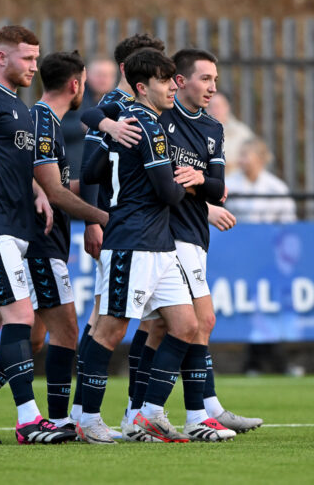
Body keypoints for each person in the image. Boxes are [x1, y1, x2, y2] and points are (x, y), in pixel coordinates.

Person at [0, 26, 92, 445]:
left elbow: (11, 164)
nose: (34, 66)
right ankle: (29, 420)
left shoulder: (21, 110)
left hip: (16, 227)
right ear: (2, 57)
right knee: (21, 319)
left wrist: (40, 193)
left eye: (36, 58)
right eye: (27, 58)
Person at [74, 47, 202, 444]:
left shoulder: (126, 119)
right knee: (110, 331)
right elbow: (167, 192)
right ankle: (87, 416)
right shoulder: (147, 124)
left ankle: (149, 413)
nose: (173, 88)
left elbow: (93, 167)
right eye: (165, 81)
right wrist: (190, 179)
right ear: (143, 87)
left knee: (185, 325)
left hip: (158, 243)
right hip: (133, 241)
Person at [68, 33, 165, 431]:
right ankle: (84, 413)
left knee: (162, 322)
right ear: (132, 71)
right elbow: (92, 152)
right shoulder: (117, 106)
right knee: (105, 322)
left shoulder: (153, 107)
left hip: (151, 231)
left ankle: (137, 411)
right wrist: (93, 219)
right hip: (123, 226)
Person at [60, 56, 119, 179]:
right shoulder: (72, 96)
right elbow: (51, 127)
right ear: (86, 75)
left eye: (109, 75)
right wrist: (84, 126)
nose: (104, 79)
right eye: (99, 75)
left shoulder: (119, 102)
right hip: (73, 170)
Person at [225, 138, 297, 223]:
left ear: (259, 158)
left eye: (244, 155)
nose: (240, 160)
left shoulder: (276, 187)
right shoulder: (228, 183)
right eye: (240, 155)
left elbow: (288, 220)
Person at [207, 92, 255, 176]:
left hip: (236, 184)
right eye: (210, 107)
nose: (214, 110)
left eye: (218, 106)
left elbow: (253, 162)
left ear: (227, 107)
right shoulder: (197, 131)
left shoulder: (242, 133)